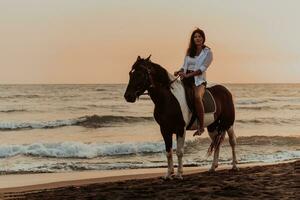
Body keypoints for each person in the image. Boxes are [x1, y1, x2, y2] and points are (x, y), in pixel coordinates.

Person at [174, 28, 213, 136]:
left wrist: (188, 75)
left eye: (199, 36)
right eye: (195, 37)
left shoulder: (208, 53)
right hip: (186, 79)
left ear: (203, 38)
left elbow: (202, 69)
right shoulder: (189, 51)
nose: (197, 39)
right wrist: (180, 71)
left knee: (197, 97)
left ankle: (201, 126)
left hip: (199, 81)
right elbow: (184, 66)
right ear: (193, 39)